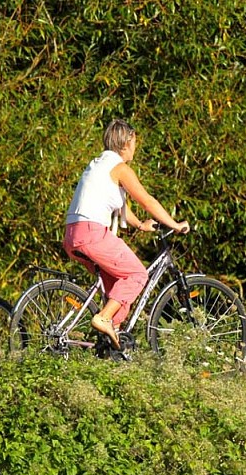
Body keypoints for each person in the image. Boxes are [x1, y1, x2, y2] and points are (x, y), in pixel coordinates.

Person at [63, 119, 190, 349]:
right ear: (125, 143)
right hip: (92, 233)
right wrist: (174, 224)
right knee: (137, 275)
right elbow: (147, 200)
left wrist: (141, 225)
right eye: (134, 142)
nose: (135, 147)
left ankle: (110, 343)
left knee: (117, 290)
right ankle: (103, 318)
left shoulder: (98, 164)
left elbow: (120, 206)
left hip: (73, 234)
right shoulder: (120, 168)